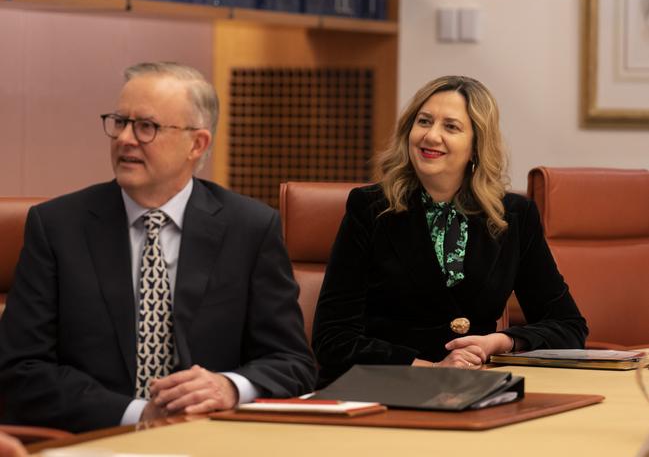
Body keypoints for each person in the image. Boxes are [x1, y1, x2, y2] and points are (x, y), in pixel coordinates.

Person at [0, 62, 316, 431]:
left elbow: (292, 362)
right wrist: (138, 413)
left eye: (146, 127)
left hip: (212, 442)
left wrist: (229, 387)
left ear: (196, 144)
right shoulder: (57, 226)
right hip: (93, 439)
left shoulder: (249, 228)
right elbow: (19, 368)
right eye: (120, 122)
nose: (125, 139)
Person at [311, 75, 588, 387]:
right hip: (384, 389)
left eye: (451, 127)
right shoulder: (370, 209)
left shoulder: (514, 216)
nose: (431, 136)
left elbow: (568, 327)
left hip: (473, 389)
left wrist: (500, 342)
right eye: (424, 121)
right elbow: (332, 338)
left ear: (476, 145)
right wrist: (428, 369)